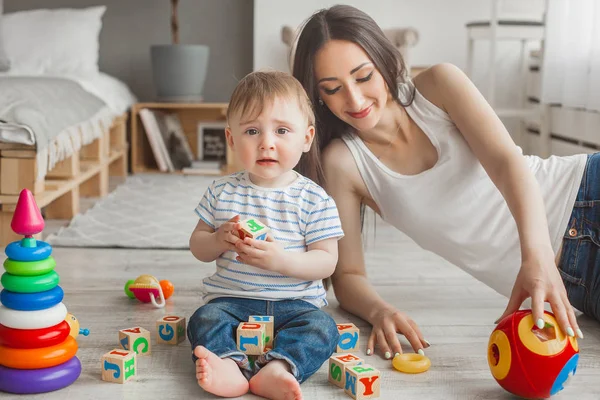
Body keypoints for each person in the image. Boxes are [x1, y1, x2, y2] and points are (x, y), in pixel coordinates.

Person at [291, 4, 595, 361]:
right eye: (332, 89)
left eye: (363, 76)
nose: (355, 100)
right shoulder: (343, 162)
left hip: (586, 193)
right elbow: (348, 275)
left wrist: (537, 256)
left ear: (384, 58)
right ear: (318, 97)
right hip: (575, 280)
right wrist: (380, 311)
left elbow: (506, 161)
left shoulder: (438, 85)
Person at [187, 70, 344, 399]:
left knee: (323, 328)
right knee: (203, 319)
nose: (267, 142)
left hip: (296, 305)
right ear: (231, 139)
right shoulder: (221, 192)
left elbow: (326, 262)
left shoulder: (315, 199)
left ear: (306, 138)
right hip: (231, 302)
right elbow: (198, 246)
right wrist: (217, 239)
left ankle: (279, 367)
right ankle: (230, 365)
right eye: (252, 131)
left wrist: (281, 260)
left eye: (282, 130)